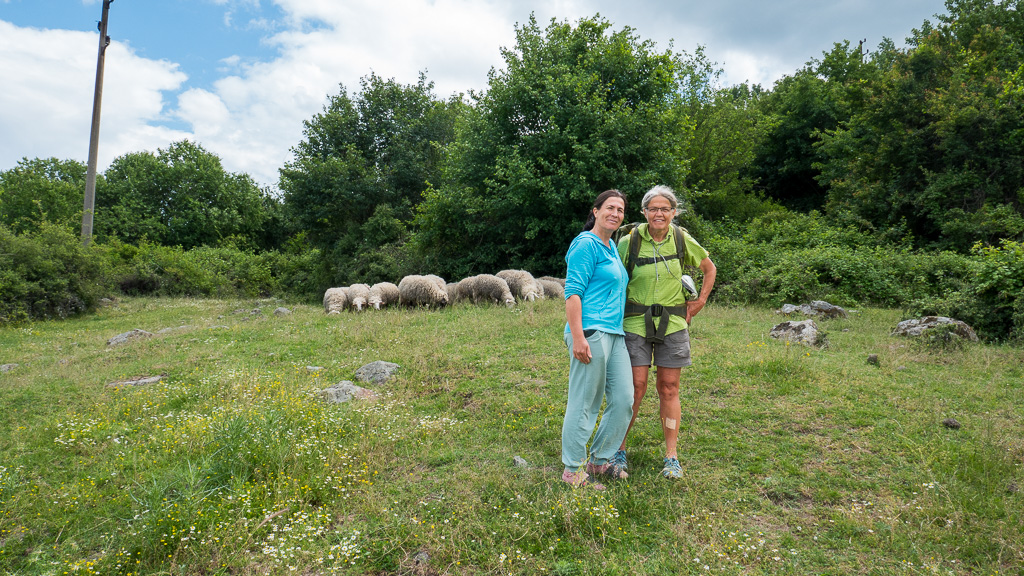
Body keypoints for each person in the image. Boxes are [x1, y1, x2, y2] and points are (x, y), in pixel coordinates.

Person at [613, 185, 716, 479]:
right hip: (634, 323)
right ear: (644, 212)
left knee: (669, 388)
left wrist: (698, 303)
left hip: (673, 324)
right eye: (653, 208)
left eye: (665, 208)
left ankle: (671, 457)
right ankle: (618, 450)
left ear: (674, 212)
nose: (659, 213)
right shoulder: (629, 242)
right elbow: (614, 279)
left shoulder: (682, 239)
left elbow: (710, 268)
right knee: (634, 387)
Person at [561, 189, 633, 489]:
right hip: (590, 331)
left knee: (624, 400)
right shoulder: (585, 244)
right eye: (610, 208)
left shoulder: (611, 247)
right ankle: (573, 469)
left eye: (620, 210)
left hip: (615, 333)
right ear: (596, 210)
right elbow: (573, 292)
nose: (615, 213)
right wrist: (578, 337)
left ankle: (599, 460)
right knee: (585, 401)